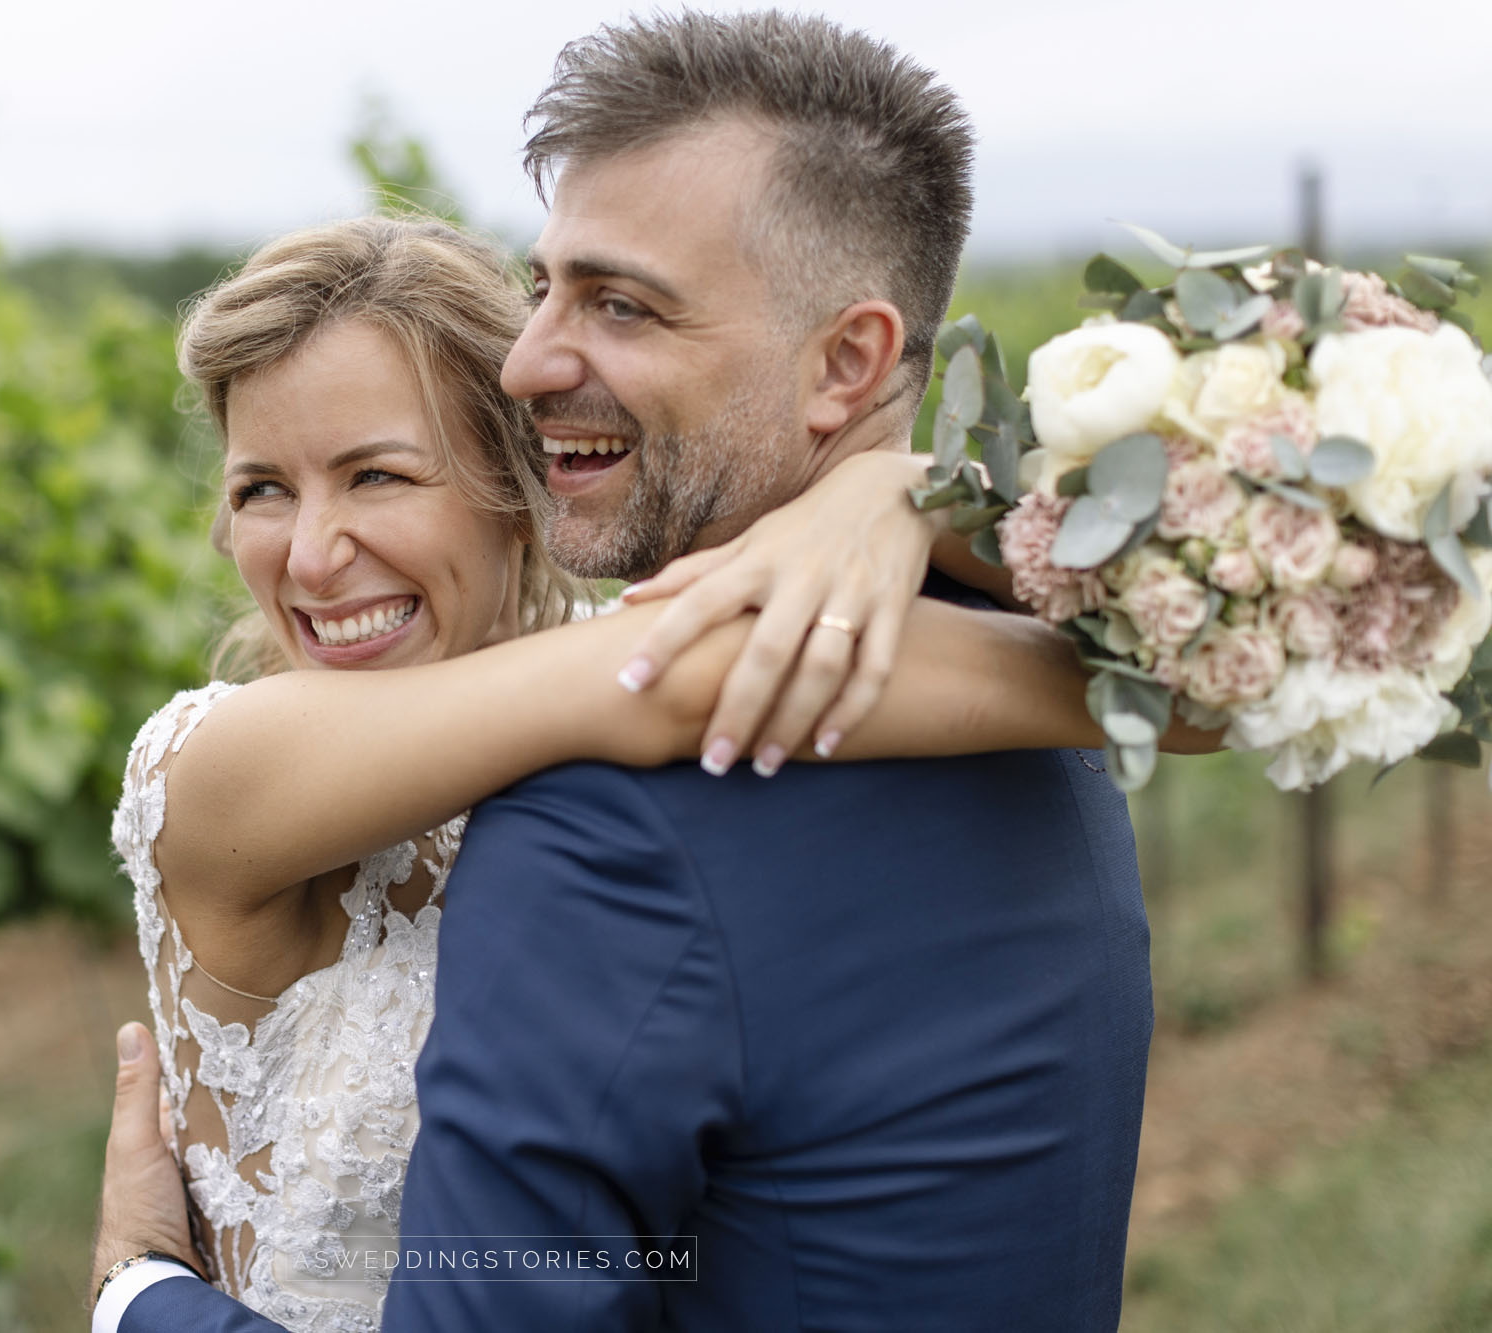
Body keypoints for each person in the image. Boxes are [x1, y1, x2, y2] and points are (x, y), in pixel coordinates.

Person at [96, 13, 1187, 1330]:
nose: (314, 552)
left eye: (379, 475)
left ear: (516, 493)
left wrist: (138, 1297)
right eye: (259, 489)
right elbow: (669, 671)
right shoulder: (218, 762)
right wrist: (945, 524)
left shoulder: (602, 803)